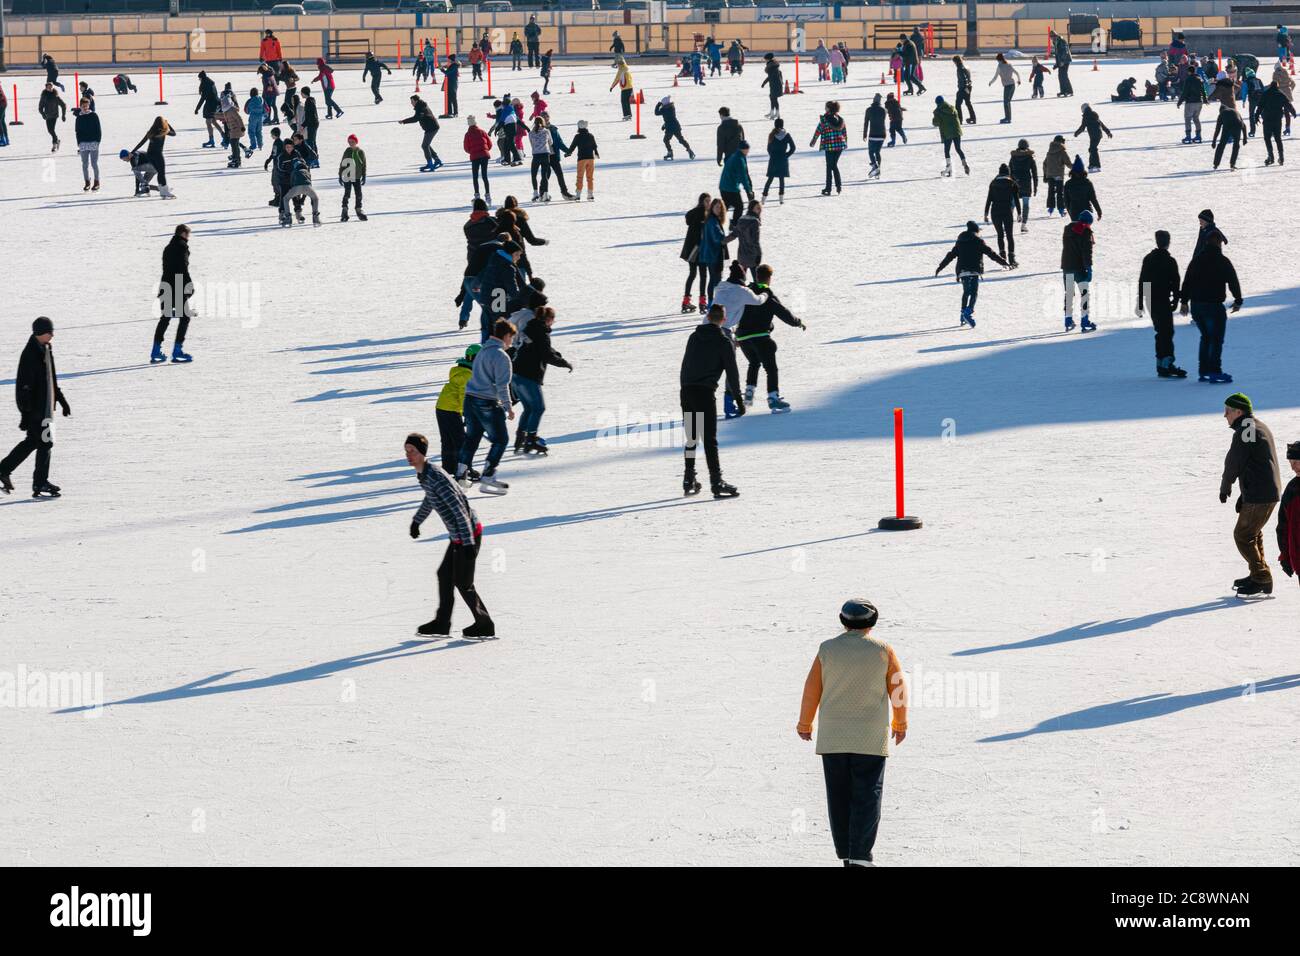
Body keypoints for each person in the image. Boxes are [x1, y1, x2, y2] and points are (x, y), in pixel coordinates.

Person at [796, 599, 908, 867]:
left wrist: (805, 723)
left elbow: (812, 690)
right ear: (872, 622)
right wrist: (900, 724)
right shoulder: (883, 650)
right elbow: (898, 689)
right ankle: (860, 855)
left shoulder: (827, 650)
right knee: (867, 794)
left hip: (833, 737)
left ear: (843, 621)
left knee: (839, 795)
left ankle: (846, 853)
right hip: (869, 737)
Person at [405, 433, 495, 640]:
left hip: (467, 533)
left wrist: (468, 543)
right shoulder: (425, 475)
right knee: (444, 575)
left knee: (463, 582)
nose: (408, 455)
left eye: (413, 451)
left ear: (422, 453)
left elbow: (459, 510)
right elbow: (430, 499)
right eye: (407, 451)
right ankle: (442, 623)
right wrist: (417, 520)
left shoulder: (435, 477)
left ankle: (485, 624)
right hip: (459, 535)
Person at [1218, 394, 1282, 596]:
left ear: (1239, 411)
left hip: (1261, 494)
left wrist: (1226, 485)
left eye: (1227, 411)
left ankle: (1262, 577)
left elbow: (1235, 461)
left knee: (1243, 535)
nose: (1224, 415)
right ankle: (1258, 574)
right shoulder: (1255, 426)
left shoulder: (1246, 429)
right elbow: (1254, 464)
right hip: (1262, 491)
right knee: (1252, 533)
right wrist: (1244, 494)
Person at [0, 317, 71, 500]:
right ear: (40, 333)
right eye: (49, 332)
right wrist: (25, 413)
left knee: (33, 441)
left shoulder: (45, 349)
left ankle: (3, 470)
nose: (52, 335)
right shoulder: (30, 354)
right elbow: (24, 386)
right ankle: (40, 482)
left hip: (45, 407)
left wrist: (61, 400)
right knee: (46, 443)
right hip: (36, 409)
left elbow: (50, 378)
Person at [679, 304, 743, 498]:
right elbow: (732, 374)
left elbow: (685, 365)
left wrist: (685, 388)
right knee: (709, 440)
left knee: (691, 437)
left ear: (707, 317)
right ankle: (716, 482)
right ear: (723, 320)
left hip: (687, 390)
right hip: (705, 393)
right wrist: (739, 401)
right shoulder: (724, 342)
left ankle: (688, 478)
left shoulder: (693, 337)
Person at [456, 318, 516, 494]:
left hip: (470, 399)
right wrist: (508, 407)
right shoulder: (501, 356)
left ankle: (461, 473)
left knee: (473, 437)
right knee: (501, 439)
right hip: (486, 402)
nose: (511, 342)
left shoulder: (482, 351)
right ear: (505, 336)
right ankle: (488, 475)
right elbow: (502, 385)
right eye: (511, 338)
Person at [737, 263, 804, 411]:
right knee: (771, 368)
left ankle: (749, 392)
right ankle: (773, 398)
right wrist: (797, 322)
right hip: (760, 336)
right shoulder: (767, 294)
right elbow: (783, 312)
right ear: (769, 278)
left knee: (754, 362)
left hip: (742, 337)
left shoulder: (747, 292)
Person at [1180, 232, 1242, 384]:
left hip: (1196, 306)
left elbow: (1187, 281)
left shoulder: (1196, 261)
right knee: (1216, 339)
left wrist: (1184, 302)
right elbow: (1233, 281)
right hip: (1213, 306)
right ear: (1219, 243)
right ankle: (1214, 370)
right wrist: (1238, 300)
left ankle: (1204, 370)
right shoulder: (1222, 261)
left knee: (1206, 337)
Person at [512, 306, 572, 455]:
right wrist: (563, 363)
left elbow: (543, 349)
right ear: (549, 320)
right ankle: (531, 439)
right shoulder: (541, 332)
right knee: (538, 408)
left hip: (516, 374)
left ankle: (521, 437)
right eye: (553, 320)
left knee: (529, 408)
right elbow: (546, 354)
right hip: (528, 376)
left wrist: (557, 354)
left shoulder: (530, 328)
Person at [935, 221, 1008, 328]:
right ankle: (968, 312)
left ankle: (962, 314)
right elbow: (991, 254)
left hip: (963, 271)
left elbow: (950, 256)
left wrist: (940, 267)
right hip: (974, 270)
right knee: (974, 292)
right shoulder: (979, 241)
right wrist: (1004, 262)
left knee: (966, 292)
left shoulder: (960, 242)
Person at [1136, 231, 1185, 378]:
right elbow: (1175, 282)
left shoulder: (1148, 259)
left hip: (1151, 299)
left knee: (1161, 331)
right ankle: (1167, 363)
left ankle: (1161, 363)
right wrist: (1176, 300)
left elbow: (1142, 281)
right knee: (1167, 332)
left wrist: (1140, 302)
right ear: (1168, 242)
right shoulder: (1170, 261)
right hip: (1163, 299)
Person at [152, 223, 195, 365]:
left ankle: (155, 351)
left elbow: (166, 268)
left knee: (166, 318)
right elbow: (183, 268)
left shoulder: (168, 248)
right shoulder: (182, 247)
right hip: (177, 285)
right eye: (188, 234)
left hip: (165, 285)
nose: (188, 237)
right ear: (183, 233)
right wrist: (189, 285)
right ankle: (177, 351)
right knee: (185, 317)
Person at [436, 345, 481, 477]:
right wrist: (468, 415)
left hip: (441, 407)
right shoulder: (468, 375)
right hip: (451, 410)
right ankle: (465, 470)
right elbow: (464, 396)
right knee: (461, 442)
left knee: (448, 440)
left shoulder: (460, 371)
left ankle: (448, 468)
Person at [1061, 209, 1097, 333]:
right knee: (1085, 294)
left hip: (1066, 267)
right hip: (1079, 269)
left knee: (1069, 294)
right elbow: (1087, 252)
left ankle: (1068, 319)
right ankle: (1085, 320)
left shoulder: (1067, 230)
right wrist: (1089, 268)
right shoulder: (1086, 232)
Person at [983, 164, 1021, 268]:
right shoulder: (1012, 183)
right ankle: (1012, 259)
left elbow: (989, 199)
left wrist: (986, 214)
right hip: (1007, 211)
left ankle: (1003, 259)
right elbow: (1016, 200)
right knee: (1009, 235)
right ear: (1008, 172)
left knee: (1000, 234)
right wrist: (1019, 213)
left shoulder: (993, 183)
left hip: (995, 211)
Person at [278, 138, 321, 227]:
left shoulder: (296, 154)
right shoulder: (281, 156)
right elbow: (280, 168)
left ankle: (298, 213)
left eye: (291, 147)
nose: (289, 149)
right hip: (285, 180)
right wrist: (289, 171)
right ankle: (283, 214)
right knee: (284, 197)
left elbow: (303, 163)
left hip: (296, 179)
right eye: (287, 147)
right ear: (284, 147)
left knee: (296, 197)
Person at [680, 193, 712, 314]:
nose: (709, 203)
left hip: (691, 250)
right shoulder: (703, 214)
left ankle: (686, 301)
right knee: (702, 275)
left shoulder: (694, 213)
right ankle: (702, 302)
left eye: (710, 201)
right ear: (702, 201)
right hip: (699, 250)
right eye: (707, 201)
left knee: (693, 274)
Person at [1254, 78, 1296, 165]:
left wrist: (1256, 116)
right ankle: (1281, 157)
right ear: (1277, 86)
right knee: (1278, 139)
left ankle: (1271, 156)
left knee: (1267, 138)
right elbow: (1288, 104)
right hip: (1277, 120)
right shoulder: (1280, 94)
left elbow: (1260, 106)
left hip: (1267, 120)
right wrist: (1293, 112)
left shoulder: (1265, 94)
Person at [133, 116, 177, 199]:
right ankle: (165, 192)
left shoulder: (151, 132)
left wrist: (132, 151)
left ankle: (163, 191)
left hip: (149, 154)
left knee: (159, 172)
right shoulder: (164, 131)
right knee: (161, 172)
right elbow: (174, 133)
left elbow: (141, 142)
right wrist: (168, 124)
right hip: (157, 154)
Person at [810, 101, 847, 196]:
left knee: (830, 166)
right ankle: (837, 187)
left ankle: (829, 188)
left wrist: (813, 141)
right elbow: (844, 132)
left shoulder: (824, 119)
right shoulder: (840, 119)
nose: (824, 108)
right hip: (839, 146)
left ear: (829, 108)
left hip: (830, 145)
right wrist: (845, 142)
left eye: (826, 107)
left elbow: (818, 130)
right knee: (833, 165)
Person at [1277, 442, 1300, 590]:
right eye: (1291, 463)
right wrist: (1285, 556)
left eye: (1296, 462)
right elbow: (1283, 526)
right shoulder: (1292, 489)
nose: (1292, 467)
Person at [400, 95, 443, 172]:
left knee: (425, 146)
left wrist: (404, 121)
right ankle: (437, 160)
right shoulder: (420, 106)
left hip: (432, 128)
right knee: (426, 145)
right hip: (430, 128)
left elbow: (416, 118)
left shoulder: (421, 108)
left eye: (412, 101)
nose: (411, 103)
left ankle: (430, 164)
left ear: (416, 101)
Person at [725, 200, 764, 284]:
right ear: (751, 209)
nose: (759, 210)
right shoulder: (754, 222)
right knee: (758, 282)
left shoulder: (741, 219)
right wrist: (759, 254)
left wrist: (721, 242)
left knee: (740, 280)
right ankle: (760, 294)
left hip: (741, 255)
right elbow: (755, 241)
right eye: (757, 208)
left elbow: (734, 234)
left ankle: (740, 294)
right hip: (752, 256)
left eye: (760, 208)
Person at [931, 95, 968, 177]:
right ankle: (964, 164)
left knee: (947, 151)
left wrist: (935, 116)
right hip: (956, 131)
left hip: (947, 133)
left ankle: (949, 169)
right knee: (958, 149)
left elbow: (935, 123)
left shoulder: (938, 111)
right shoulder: (952, 107)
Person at [719, 139, 753, 223]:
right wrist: (749, 191)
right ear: (743, 149)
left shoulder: (734, 155)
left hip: (723, 186)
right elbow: (743, 178)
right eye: (747, 149)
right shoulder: (739, 160)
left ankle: (716, 222)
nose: (748, 152)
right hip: (731, 188)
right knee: (739, 206)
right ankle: (734, 225)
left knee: (725, 207)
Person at [462, 115, 493, 204]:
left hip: (475, 157)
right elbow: (489, 144)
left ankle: (477, 195)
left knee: (475, 177)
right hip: (484, 155)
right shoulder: (482, 132)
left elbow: (466, 148)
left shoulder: (467, 134)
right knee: (484, 176)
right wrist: (485, 150)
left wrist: (472, 151)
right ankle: (488, 195)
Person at [564, 119, 598, 201]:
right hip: (590, 159)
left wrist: (568, 153)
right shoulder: (591, 136)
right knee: (590, 177)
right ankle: (590, 194)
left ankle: (578, 194)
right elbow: (594, 146)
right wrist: (596, 153)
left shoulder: (577, 136)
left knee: (580, 177)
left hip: (582, 159)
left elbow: (573, 146)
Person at [762, 118, 795, 204]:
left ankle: (763, 198)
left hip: (773, 160)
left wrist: (772, 156)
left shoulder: (771, 135)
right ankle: (781, 199)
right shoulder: (787, 135)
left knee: (770, 179)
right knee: (781, 179)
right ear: (782, 125)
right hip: (783, 160)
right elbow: (793, 148)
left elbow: (768, 148)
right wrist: (786, 155)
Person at [73, 97, 102, 192]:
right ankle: (87, 182)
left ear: (88, 106)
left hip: (94, 142)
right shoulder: (79, 118)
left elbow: (98, 129)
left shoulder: (94, 115)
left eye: (86, 106)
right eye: (83, 106)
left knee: (94, 163)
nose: (85, 108)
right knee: (84, 164)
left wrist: (98, 141)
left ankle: (97, 182)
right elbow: (77, 131)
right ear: (80, 106)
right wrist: (79, 143)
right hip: (83, 144)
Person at [1074, 103, 1113, 172]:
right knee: (1092, 149)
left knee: (1092, 149)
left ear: (1084, 109)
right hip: (1098, 134)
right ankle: (1093, 165)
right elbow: (1102, 124)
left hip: (1094, 135)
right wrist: (1108, 132)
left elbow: (1082, 127)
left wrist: (1076, 133)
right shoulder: (1094, 114)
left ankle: (1095, 165)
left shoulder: (1086, 116)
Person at [1008, 139, 1037, 229]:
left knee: (1012, 204)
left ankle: (1008, 224)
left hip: (1015, 183)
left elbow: (1009, 172)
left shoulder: (1013, 157)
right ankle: (1023, 225)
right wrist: (1035, 187)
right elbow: (1034, 173)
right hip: (1026, 184)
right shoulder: (1030, 157)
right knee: (1025, 205)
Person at [655, 95, 694, 162]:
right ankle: (689, 150)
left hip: (670, 128)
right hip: (675, 126)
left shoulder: (664, 109)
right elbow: (669, 118)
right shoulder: (671, 107)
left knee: (666, 140)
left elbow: (656, 113)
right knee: (681, 140)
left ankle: (670, 152)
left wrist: (658, 105)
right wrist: (664, 125)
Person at [1062, 156, 1101, 221]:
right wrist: (1099, 211)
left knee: (1076, 230)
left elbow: (1066, 200)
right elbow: (1093, 199)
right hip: (1087, 212)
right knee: (1085, 230)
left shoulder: (1068, 184)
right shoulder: (1087, 183)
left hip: (1074, 212)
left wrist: (1070, 211)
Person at [338, 134, 367, 223]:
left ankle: (358, 209)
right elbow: (343, 163)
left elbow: (364, 164)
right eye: (349, 142)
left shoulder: (360, 152)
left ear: (356, 142)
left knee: (358, 194)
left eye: (352, 142)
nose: (351, 143)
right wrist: (340, 175)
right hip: (348, 176)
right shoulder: (347, 151)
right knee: (347, 193)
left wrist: (364, 175)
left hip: (357, 176)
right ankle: (344, 210)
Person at [1177, 65, 1208, 143]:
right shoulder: (1199, 79)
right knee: (1196, 118)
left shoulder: (1188, 80)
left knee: (1188, 119)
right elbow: (1203, 90)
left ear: (1189, 72)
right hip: (1199, 102)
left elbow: (1185, 92)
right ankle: (1198, 136)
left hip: (1190, 102)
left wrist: (1179, 102)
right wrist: (1205, 99)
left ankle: (1188, 137)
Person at [989, 53, 1021, 124]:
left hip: (1007, 86)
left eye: (997, 60)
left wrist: (991, 82)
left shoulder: (999, 66)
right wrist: (1019, 80)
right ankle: (1008, 118)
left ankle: (1007, 118)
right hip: (1013, 85)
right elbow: (1017, 73)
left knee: (1006, 102)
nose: (997, 62)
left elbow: (995, 77)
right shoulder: (1009, 64)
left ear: (999, 60)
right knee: (1008, 102)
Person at [527, 116, 553, 202]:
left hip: (536, 155)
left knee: (533, 174)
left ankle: (535, 193)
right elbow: (551, 142)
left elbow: (531, 143)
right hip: (545, 154)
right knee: (544, 175)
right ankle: (545, 194)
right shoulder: (546, 131)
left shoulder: (531, 133)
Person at [1041, 134, 1068, 216]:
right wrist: (1075, 169)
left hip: (1050, 175)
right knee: (1060, 192)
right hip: (1059, 175)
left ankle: (1050, 208)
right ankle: (1061, 209)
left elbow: (1045, 164)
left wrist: (1045, 175)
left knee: (1051, 191)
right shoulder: (1062, 151)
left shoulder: (1049, 151)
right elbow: (1068, 162)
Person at [195, 71, 221, 147]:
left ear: (201, 78)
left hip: (211, 104)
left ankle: (212, 140)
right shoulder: (210, 82)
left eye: (199, 79)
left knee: (208, 122)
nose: (199, 80)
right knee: (213, 121)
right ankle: (223, 136)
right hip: (215, 103)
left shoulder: (205, 84)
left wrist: (197, 109)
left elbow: (203, 98)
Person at [38, 82, 66, 153]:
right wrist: (43, 114)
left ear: (53, 87)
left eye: (51, 87)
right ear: (46, 88)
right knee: (49, 130)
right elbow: (40, 107)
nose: (49, 88)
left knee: (51, 130)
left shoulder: (55, 96)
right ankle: (57, 140)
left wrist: (63, 115)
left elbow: (63, 105)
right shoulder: (44, 96)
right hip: (47, 116)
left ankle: (54, 144)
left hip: (54, 115)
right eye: (48, 87)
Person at [952, 55, 976, 123]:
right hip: (968, 87)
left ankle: (959, 119)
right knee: (968, 103)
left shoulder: (960, 68)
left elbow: (964, 79)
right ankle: (973, 118)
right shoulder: (966, 67)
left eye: (954, 62)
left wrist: (965, 88)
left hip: (963, 88)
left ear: (956, 61)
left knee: (958, 104)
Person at [761, 53, 784, 120]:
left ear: (768, 59)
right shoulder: (773, 65)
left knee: (774, 98)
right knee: (772, 98)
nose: (765, 60)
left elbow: (770, 77)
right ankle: (773, 112)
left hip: (775, 84)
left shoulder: (772, 66)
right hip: (775, 84)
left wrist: (764, 83)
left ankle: (776, 113)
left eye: (765, 59)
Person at [1052, 29, 1074, 96]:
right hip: (1061, 61)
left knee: (1063, 75)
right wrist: (1057, 63)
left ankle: (1069, 91)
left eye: (1052, 37)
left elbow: (1065, 52)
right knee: (1060, 76)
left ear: (1055, 36)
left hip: (1065, 60)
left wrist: (1062, 61)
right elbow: (1057, 54)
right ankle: (1063, 91)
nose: (1051, 38)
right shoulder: (1055, 42)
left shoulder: (1061, 41)